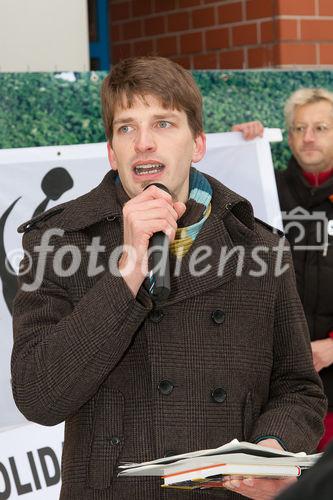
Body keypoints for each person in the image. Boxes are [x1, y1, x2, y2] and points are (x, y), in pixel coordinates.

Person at [11, 58, 326, 500]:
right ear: (110, 151)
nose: (143, 143)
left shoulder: (261, 247)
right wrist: (129, 270)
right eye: (126, 128)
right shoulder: (58, 241)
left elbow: (298, 388)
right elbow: (39, 396)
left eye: (163, 123)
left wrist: (271, 450)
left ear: (196, 144)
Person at [233, 88, 333, 452]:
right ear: (287, 135)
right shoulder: (263, 188)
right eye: (299, 127)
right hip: (276, 392)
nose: (308, 137)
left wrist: (331, 348)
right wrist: (239, 148)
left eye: (321, 127)